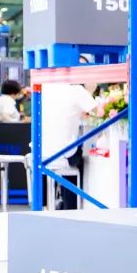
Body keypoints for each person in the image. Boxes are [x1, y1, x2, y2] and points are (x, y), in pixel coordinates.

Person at [40, 79, 97, 210]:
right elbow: (99, 113)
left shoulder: (46, 88)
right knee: (83, 159)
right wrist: (90, 91)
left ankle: (46, 205)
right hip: (65, 154)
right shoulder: (77, 90)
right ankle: (71, 207)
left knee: (55, 165)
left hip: (42, 152)